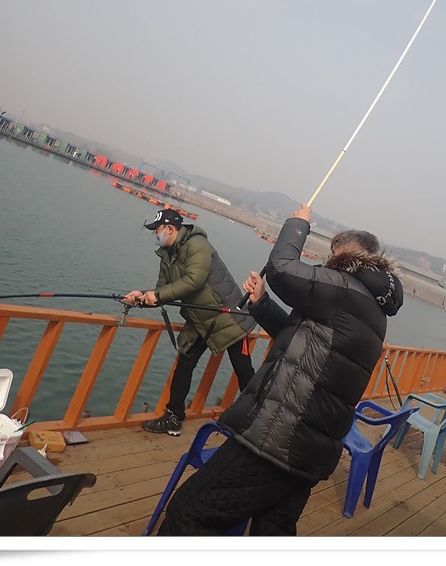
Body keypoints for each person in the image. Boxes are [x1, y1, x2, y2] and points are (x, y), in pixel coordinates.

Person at [158, 202, 404, 536]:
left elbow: (281, 268)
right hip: (308, 450)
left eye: (334, 255)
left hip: (280, 437)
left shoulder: (345, 289)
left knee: (188, 513)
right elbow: (300, 339)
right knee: (273, 531)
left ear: (348, 257)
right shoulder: (371, 309)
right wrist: (261, 303)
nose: (328, 262)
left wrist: (298, 224)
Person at [123, 208, 256, 436]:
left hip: (229, 316)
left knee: (243, 370)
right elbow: (163, 290)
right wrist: (141, 297)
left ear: (169, 229)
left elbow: (194, 280)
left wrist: (158, 295)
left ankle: (257, 419)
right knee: (184, 365)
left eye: (156, 230)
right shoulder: (166, 255)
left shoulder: (197, 244)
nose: (154, 234)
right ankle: (174, 416)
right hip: (199, 319)